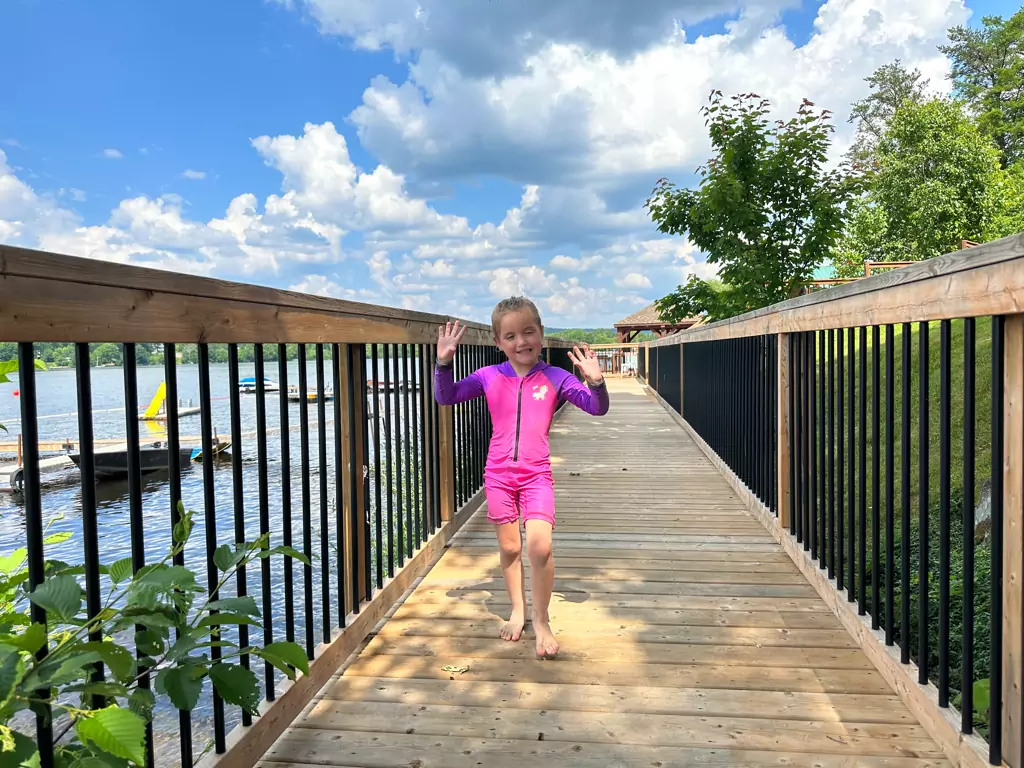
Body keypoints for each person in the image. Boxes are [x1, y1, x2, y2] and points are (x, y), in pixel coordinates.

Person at [433, 296, 609, 658]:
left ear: (541, 335)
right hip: (498, 475)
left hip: (536, 475)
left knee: (539, 547)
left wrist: (596, 382)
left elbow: (596, 408)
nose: (521, 341)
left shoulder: (556, 377)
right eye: (510, 336)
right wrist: (443, 363)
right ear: (499, 343)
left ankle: (541, 619)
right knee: (511, 548)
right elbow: (446, 396)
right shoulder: (488, 376)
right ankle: (518, 610)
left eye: (529, 332)